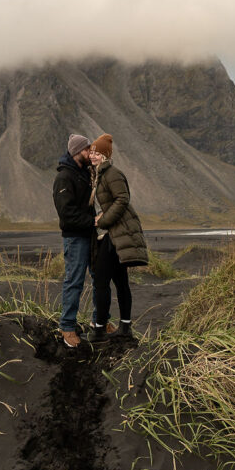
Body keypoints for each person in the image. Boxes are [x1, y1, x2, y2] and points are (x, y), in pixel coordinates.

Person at [87, 133, 148, 344]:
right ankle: (125, 327)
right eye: (92, 152)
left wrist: (102, 221)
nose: (93, 156)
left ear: (106, 156)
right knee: (120, 281)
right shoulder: (99, 174)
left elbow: (122, 199)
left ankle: (99, 329)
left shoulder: (112, 173)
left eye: (97, 153)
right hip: (113, 233)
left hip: (116, 233)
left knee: (102, 280)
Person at [53, 133, 95, 348]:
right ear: (77, 151)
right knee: (75, 280)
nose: (90, 153)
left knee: (99, 277)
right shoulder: (64, 178)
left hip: (90, 235)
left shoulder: (84, 173)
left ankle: (99, 322)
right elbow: (66, 214)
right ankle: (67, 327)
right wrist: (93, 221)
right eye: (87, 149)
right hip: (75, 238)